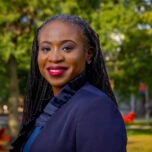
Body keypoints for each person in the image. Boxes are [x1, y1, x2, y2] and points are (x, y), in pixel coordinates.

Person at [10, 14, 127, 152]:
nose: (54, 58)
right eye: (46, 48)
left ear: (88, 54)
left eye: (67, 48)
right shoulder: (50, 109)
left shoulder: (96, 108)